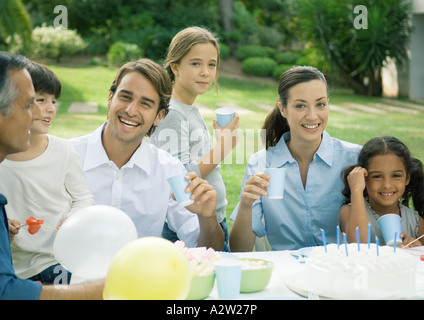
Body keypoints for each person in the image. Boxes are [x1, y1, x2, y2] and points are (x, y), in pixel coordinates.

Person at [70, 58, 224, 250]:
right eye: (125, 97)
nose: (130, 110)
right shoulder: (67, 157)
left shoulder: (169, 169)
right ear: (110, 99)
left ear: (159, 117)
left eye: (145, 104)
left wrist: (207, 217)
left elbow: (208, 250)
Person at [0, 51, 103, 299]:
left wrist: (70, 223)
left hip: (55, 260)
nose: (45, 110)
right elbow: (6, 290)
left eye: (53, 102)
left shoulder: (62, 151)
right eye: (33, 102)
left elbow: (83, 198)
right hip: (18, 268)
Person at [229, 66, 362, 251]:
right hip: (286, 273)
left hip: (338, 270)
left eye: (320, 104)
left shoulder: (354, 158)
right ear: (283, 109)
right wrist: (245, 205)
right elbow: (238, 251)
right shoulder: (260, 164)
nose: (312, 115)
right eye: (300, 106)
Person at [150, 26, 238, 251]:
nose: (206, 72)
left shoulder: (189, 109)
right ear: (175, 66)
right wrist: (223, 148)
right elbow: (178, 180)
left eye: (212, 64)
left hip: (210, 218)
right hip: (192, 225)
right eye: (196, 63)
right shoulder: (172, 113)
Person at [339, 136, 424, 247]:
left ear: (407, 178)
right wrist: (356, 190)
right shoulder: (349, 212)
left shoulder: (415, 221)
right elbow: (358, 245)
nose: (387, 185)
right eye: (377, 176)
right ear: (364, 178)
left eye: (396, 176)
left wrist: (417, 248)